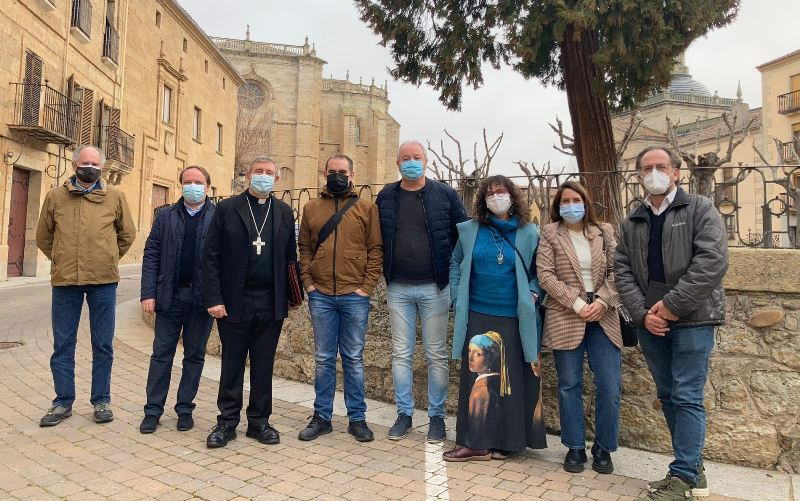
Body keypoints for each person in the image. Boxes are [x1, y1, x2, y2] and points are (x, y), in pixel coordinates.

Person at [615, 146, 728, 501]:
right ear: (637, 176)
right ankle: (692, 470)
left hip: (693, 320)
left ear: (676, 172)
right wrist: (643, 313)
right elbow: (622, 270)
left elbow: (712, 261)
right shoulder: (633, 220)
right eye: (646, 168)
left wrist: (673, 306)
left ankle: (682, 477)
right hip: (652, 323)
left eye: (660, 166)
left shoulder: (700, 209)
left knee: (687, 396)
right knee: (668, 396)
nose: (653, 173)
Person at [444, 175, 547, 461]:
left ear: (512, 196)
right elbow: (455, 263)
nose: (496, 197)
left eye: (501, 192)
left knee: (511, 381)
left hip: (515, 317)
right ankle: (475, 443)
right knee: (477, 379)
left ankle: (508, 443)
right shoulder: (469, 230)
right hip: (477, 314)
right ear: (482, 200)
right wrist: (455, 296)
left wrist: (534, 293)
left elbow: (542, 271)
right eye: (490, 193)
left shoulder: (529, 233)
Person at [36, 145, 136, 427]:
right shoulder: (55, 196)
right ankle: (62, 402)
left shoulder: (115, 196)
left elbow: (127, 234)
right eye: (84, 162)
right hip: (65, 281)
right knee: (63, 344)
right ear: (74, 164)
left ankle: (101, 400)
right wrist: (60, 258)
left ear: (101, 168)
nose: (89, 167)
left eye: (94, 163)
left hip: (103, 281)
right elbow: (44, 236)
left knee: (102, 344)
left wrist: (108, 257)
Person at [375, 139, 468, 442]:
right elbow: (377, 236)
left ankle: (437, 417)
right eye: (406, 158)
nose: (411, 162)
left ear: (426, 161)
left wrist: (454, 275)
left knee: (436, 354)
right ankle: (404, 414)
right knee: (401, 354)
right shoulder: (387, 196)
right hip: (398, 288)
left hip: (435, 288)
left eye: (417, 157)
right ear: (397, 163)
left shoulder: (445, 194)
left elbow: (463, 235)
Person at [202, 156, 297, 448]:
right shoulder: (227, 208)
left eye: (270, 173)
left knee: (263, 364)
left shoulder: (283, 212)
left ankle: (259, 422)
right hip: (234, 300)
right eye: (259, 172)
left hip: (270, 300)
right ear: (247, 176)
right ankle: (226, 423)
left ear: (276, 179)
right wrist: (214, 298)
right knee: (231, 364)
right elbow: (211, 256)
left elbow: (290, 258)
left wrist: (292, 295)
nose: (264, 177)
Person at [536, 181, 622, 475]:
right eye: (565, 201)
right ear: (558, 206)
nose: (571, 205)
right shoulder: (549, 233)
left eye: (576, 199)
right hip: (566, 314)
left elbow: (618, 271)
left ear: (586, 202)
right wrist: (576, 303)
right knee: (569, 385)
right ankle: (574, 447)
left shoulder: (604, 232)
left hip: (604, 316)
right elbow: (545, 275)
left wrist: (602, 301)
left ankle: (603, 447)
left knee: (609, 386)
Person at [297, 154, 383, 443]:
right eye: (332, 171)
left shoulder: (366, 208)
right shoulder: (311, 208)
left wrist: (366, 287)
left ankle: (357, 418)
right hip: (320, 294)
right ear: (324, 174)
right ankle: (322, 417)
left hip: (354, 295)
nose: (337, 175)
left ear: (352, 174)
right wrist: (309, 284)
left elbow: (375, 251)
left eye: (342, 171)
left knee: (354, 359)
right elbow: (304, 249)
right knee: (323, 359)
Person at [139, 166, 216, 434]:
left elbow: (225, 261)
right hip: (169, 298)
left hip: (201, 301)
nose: (192, 186)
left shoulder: (218, 217)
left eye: (198, 182)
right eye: (187, 182)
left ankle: (185, 408)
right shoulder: (166, 216)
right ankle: (152, 411)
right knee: (161, 355)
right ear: (180, 185)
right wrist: (148, 293)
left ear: (208, 187)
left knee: (194, 357)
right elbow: (152, 254)